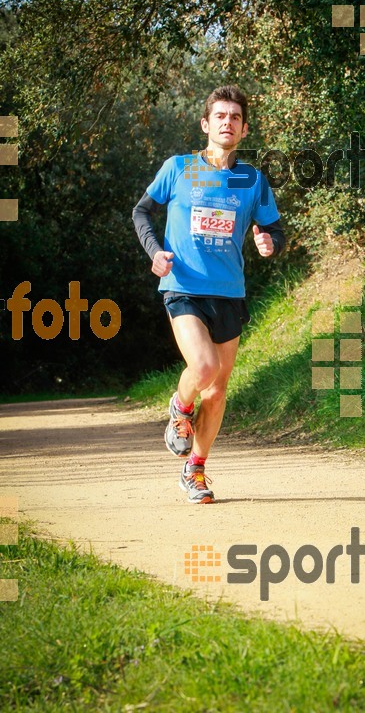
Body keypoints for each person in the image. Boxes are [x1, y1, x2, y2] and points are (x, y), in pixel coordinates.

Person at [132, 85, 285, 503]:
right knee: (203, 367)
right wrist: (155, 252)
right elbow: (141, 211)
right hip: (182, 286)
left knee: (217, 390)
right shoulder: (180, 168)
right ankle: (180, 409)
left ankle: (194, 470)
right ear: (206, 124)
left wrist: (269, 242)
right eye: (220, 116)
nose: (227, 123)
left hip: (228, 292)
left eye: (235, 117)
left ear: (244, 128)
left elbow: (274, 229)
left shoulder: (250, 180)